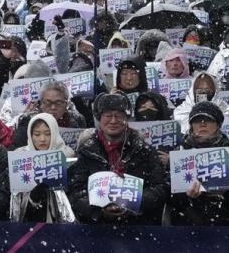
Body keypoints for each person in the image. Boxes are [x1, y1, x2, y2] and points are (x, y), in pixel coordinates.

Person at [67, 93, 169, 225]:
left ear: (127, 118)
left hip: (138, 226)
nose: (113, 121)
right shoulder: (87, 151)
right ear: (99, 118)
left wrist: (133, 203)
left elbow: (159, 188)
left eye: (119, 116)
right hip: (97, 229)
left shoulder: (144, 150)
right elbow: (75, 191)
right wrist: (99, 210)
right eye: (108, 116)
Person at [169, 102, 229, 226]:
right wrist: (186, 196)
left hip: (225, 222)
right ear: (191, 126)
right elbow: (168, 191)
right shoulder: (180, 152)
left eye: (208, 120)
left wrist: (225, 192)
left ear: (218, 125)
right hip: (186, 222)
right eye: (197, 120)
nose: (202, 123)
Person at [9, 113, 77, 223]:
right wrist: (33, 196)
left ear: (55, 134)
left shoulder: (67, 156)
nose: (42, 139)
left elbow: (73, 194)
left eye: (48, 134)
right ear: (30, 136)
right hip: (30, 221)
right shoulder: (21, 157)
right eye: (37, 134)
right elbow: (15, 200)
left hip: (61, 222)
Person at [12, 81, 86, 148]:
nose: (53, 107)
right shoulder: (28, 122)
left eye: (58, 103)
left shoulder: (77, 120)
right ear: (40, 104)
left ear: (66, 104)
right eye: (48, 103)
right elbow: (17, 150)